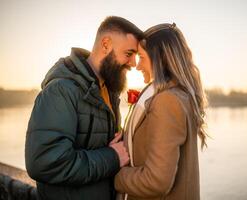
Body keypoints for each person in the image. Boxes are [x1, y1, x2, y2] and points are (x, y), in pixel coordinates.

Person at [25, 16, 143, 200]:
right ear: (106, 44)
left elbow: (93, 143)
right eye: (129, 54)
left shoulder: (109, 91)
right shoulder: (61, 91)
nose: (134, 63)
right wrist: (112, 157)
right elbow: (44, 163)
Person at [114, 23, 207, 200]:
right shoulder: (174, 94)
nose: (137, 66)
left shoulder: (167, 100)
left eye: (141, 57)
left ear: (160, 58)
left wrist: (115, 175)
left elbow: (156, 181)